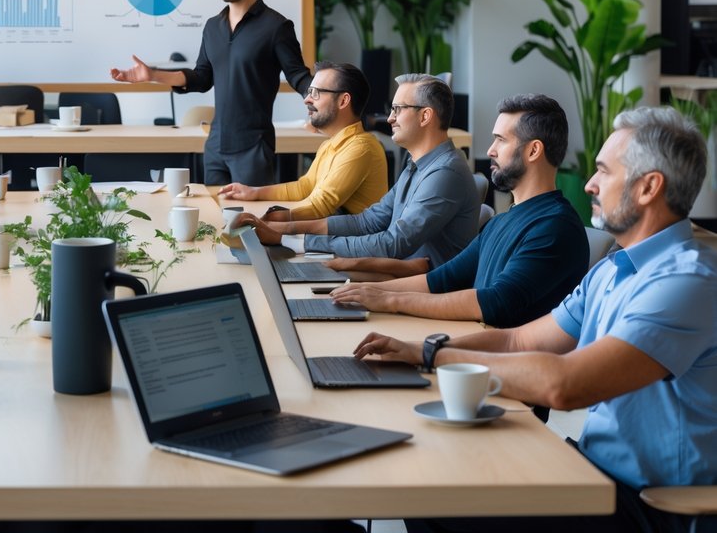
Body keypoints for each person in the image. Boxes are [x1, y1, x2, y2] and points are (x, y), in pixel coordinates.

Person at [355, 106, 717, 533]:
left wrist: (435, 360)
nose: (589, 184)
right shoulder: (611, 271)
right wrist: (422, 349)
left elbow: (562, 384)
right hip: (592, 473)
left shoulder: (686, 283)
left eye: (603, 171)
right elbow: (518, 342)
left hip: (648, 507)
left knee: (439, 495)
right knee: (434, 473)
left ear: (648, 187)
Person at [329, 94, 588, 327]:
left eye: (500, 140)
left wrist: (391, 301)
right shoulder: (503, 220)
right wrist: (368, 292)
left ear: (533, 150)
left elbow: (495, 301)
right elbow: (442, 279)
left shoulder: (555, 227)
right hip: (472, 349)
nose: (490, 150)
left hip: (498, 370)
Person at [110, 0, 312, 185]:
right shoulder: (212, 27)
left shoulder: (276, 27)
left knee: (249, 221)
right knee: (214, 218)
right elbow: (201, 78)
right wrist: (152, 74)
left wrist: (322, 107)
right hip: (215, 145)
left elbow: (299, 77)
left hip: (253, 146)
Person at [232, 73, 478, 269]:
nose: (390, 119)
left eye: (397, 109)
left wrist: (292, 240)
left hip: (417, 288)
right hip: (392, 273)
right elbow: (368, 221)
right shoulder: (417, 165)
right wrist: (283, 231)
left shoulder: (445, 173)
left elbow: (393, 244)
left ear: (425, 116)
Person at [218, 61, 386, 219]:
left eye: (316, 93)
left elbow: (321, 205)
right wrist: (254, 192)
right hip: (333, 238)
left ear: (343, 101)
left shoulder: (361, 148)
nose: (307, 99)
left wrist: (262, 218)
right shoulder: (329, 145)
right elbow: (304, 187)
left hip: (354, 247)